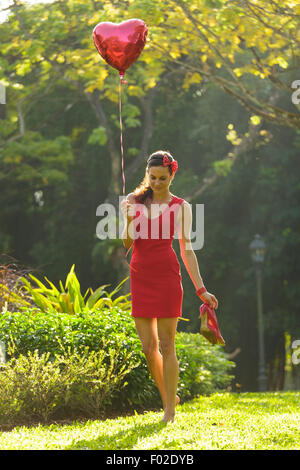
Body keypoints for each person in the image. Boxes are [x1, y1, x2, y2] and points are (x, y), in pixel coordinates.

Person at [121, 150, 218, 423]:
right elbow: (127, 245)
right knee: (148, 348)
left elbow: (187, 249)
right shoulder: (133, 201)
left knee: (167, 344)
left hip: (166, 278)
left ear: (172, 175)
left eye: (162, 178)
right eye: (152, 177)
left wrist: (201, 289)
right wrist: (129, 220)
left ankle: (169, 410)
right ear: (147, 175)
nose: (157, 182)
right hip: (140, 276)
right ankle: (168, 396)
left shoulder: (181, 207)